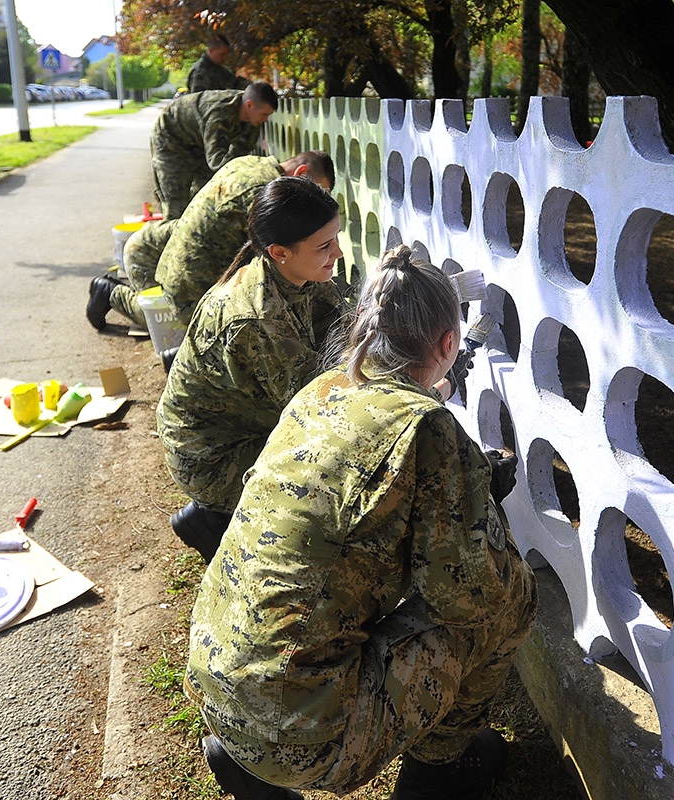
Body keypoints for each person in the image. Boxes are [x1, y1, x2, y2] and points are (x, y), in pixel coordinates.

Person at [184, 244, 536, 800]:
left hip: (217, 682)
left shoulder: (318, 392)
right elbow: (468, 596)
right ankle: (436, 777)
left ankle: (245, 754)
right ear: (449, 344)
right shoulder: (426, 430)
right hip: (307, 737)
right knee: (509, 600)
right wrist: (480, 512)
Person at [156, 176, 346, 560]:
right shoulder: (258, 320)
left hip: (243, 425)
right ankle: (213, 518)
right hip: (213, 457)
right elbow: (318, 414)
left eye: (336, 238)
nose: (338, 253)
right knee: (332, 466)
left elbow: (342, 328)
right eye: (325, 245)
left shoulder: (298, 273)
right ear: (279, 252)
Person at [87, 151, 335, 333]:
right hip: (190, 277)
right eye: (314, 190)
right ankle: (111, 293)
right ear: (301, 173)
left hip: (176, 257)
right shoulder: (263, 193)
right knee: (186, 328)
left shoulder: (251, 163)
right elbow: (278, 263)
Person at [149, 81, 278, 219]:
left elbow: (240, 158)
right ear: (249, 105)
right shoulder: (220, 112)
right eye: (264, 114)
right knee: (176, 202)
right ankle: (168, 236)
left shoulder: (253, 119)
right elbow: (217, 163)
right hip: (171, 139)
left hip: (199, 144)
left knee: (205, 198)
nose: (265, 120)